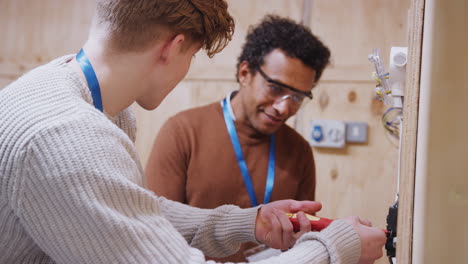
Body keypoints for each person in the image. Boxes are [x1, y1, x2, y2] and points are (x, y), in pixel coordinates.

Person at [0, 0, 385, 263]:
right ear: (174, 47)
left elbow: (135, 210)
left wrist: (247, 223)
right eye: (193, 56)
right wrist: (334, 247)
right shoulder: (68, 137)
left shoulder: (79, 96)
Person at [145, 15, 327, 262]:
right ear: (245, 73)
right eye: (275, 88)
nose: (283, 108)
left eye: (297, 97)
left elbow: (302, 237)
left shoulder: (299, 150)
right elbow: (154, 229)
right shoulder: (183, 132)